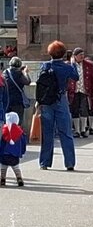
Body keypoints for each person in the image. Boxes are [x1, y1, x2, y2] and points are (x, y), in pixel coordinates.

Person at [37, 40, 79, 170]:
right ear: (63, 53)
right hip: (61, 99)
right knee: (65, 132)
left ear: (50, 53)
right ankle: (69, 163)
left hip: (47, 101)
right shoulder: (67, 67)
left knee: (47, 132)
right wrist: (73, 63)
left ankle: (45, 162)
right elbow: (76, 77)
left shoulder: (45, 66)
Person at [1, 111, 27, 187]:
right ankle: (19, 178)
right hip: (15, 155)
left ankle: (3, 179)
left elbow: (1, 143)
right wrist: (22, 152)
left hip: (4, 155)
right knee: (16, 167)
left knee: (3, 167)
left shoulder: (3, 130)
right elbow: (23, 144)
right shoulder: (20, 131)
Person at [4, 58, 31, 126]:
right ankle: (16, 136)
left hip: (7, 101)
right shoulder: (19, 74)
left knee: (7, 122)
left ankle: (7, 136)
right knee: (17, 122)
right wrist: (25, 72)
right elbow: (27, 81)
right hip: (17, 102)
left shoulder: (5, 72)